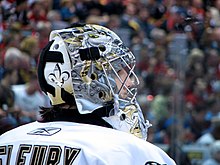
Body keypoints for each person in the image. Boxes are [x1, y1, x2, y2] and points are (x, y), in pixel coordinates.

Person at [0, 23, 176, 165]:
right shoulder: (126, 152)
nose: (129, 82)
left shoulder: (6, 141)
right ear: (90, 79)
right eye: (121, 72)